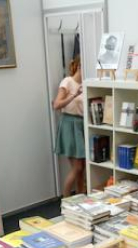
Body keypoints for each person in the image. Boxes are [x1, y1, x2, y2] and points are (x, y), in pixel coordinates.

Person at [53, 56, 86, 197]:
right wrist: (73, 95)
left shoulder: (86, 84)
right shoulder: (68, 81)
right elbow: (56, 104)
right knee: (77, 167)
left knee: (82, 168)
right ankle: (65, 201)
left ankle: (81, 200)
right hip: (69, 124)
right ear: (79, 66)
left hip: (81, 125)